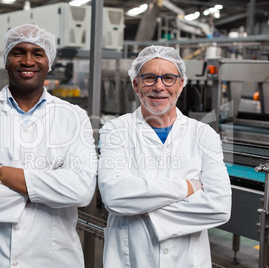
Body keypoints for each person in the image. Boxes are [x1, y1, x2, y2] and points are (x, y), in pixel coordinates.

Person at [0, 24, 97, 267]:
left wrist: (2, 174)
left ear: (49, 62)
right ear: (6, 60)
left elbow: (81, 191)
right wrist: (49, 187)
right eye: (18, 52)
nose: (28, 60)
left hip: (54, 259)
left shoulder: (74, 117)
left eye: (37, 53)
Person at [98, 45, 232, 267]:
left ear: (181, 85)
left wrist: (142, 207)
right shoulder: (115, 130)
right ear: (136, 84)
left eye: (168, 78)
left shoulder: (203, 134)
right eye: (149, 78)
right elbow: (114, 196)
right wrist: (188, 188)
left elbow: (219, 207)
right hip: (131, 258)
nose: (159, 86)